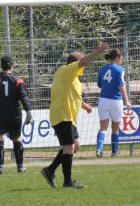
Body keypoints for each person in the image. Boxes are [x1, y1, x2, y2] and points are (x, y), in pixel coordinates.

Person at [40, 43, 109, 189]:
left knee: (75, 145)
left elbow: (70, 94)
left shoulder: (74, 78)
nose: (84, 64)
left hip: (69, 117)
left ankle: (50, 170)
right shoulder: (66, 70)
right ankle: (67, 182)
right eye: (81, 61)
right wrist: (97, 51)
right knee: (69, 147)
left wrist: (84, 105)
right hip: (62, 115)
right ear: (74, 62)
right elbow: (83, 61)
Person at [0, 55, 33, 174]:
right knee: (16, 138)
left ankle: (0, 168)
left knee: (0, 138)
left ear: (1, 65)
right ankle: (20, 167)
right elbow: (24, 97)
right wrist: (29, 111)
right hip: (14, 114)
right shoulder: (18, 80)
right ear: (12, 66)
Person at [95, 49, 132, 158]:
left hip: (103, 101)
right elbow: (121, 85)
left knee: (103, 128)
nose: (121, 61)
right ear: (117, 58)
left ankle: (99, 149)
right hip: (116, 101)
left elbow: (99, 85)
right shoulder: (120, 70)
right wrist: (127, 101)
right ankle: (114, 152)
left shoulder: (102, 69)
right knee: (115, 128)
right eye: (121, 58)